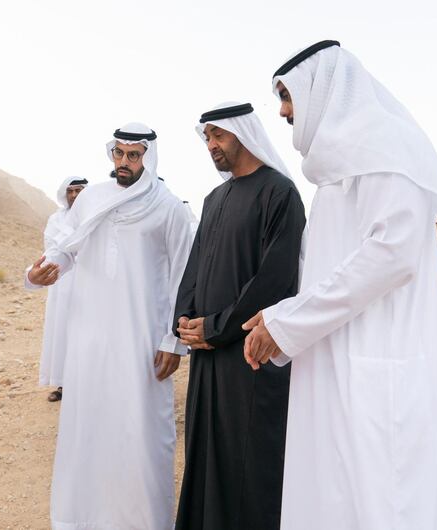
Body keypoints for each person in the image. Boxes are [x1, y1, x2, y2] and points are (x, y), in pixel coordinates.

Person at [242, 40, 437, 529]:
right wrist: (280, 316)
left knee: (385, 504)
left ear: (323, 88)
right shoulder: (335, 171)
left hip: (379, 368)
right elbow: (327, 269)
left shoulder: (386, 148)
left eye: (288, 96)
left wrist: (289, 322)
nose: (284, 112)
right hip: (336, 365)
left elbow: (390, 256)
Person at [26, 122, 194, 530]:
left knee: (141, 431)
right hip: (91, 336)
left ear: (147, 157)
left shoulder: (168, 206)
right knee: (89, 424)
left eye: (132, 155)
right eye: (118, 153)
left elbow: (182, 275)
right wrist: (47, 269)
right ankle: (82, 518)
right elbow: (67, 247)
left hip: (141, 339)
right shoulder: (92, 199)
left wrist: (173, 341)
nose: (123, 162)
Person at [173, 102, 305, 529]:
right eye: (207, 138)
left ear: (242, 135)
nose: (211, 145)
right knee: (205, 456)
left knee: (248, 461)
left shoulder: (279, 193)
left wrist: (216, 328)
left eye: (219, 136)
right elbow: (195, 267)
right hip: (208, 354)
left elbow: (274, 279)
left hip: (249, 354)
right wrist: (186, 321)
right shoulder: (214, 199)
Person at [30, 177, 87, 402]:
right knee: (62, 332)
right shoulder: (55, 219)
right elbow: (54, 249)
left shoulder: (94, 215)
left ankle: (88, 382)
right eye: (70, 191)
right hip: (62, 283)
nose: (73, 195)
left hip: (88, 283)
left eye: (78, 190)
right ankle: (63, 385)